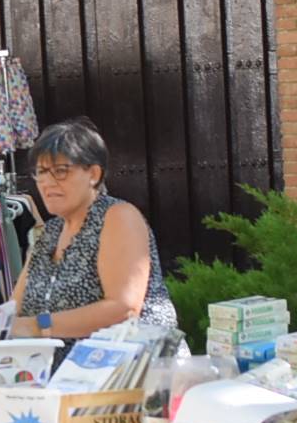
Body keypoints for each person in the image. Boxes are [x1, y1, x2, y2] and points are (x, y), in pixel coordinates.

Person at [11, 118, 180, 342]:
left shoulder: (118, 216)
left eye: (61, 171)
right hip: (61, 373)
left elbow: (123, 309)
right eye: (41, 172)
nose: (47, 182)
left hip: (129, 369)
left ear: (94, 174)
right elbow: (13, 310)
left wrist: (36, 325)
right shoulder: (50, 232)